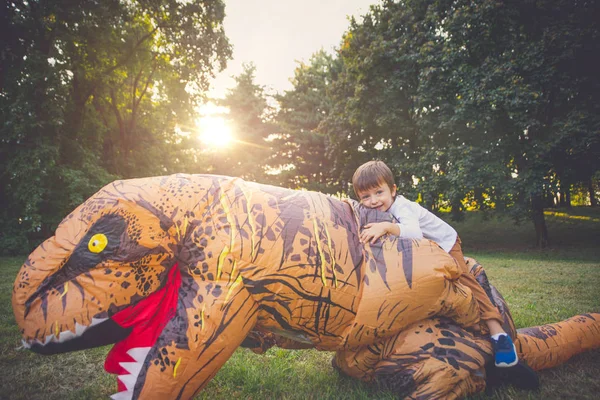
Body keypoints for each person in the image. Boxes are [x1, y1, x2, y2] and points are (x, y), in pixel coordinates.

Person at [352, 160, 518, 368]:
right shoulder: (374, 211)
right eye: (365, 196)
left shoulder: (402, 206)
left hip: (445, 243)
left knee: (464, 280)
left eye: (379, 192)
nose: (373, 200)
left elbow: (414, 232)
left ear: (393, 190)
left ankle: (498, 333)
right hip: (425, 251)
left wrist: (386, 226)